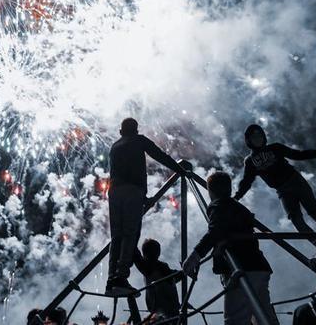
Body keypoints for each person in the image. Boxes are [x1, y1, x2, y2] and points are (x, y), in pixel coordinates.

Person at [235, 124, 316, 264]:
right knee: (296, 220)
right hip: (282, 190)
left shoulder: (275, 148)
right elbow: (246, 181)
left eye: (259, 135)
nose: (257, 138)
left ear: (264, 136)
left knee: (315, 213)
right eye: (254, 136)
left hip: (296, 181)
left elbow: (298, 155)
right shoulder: (250, 161)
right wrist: (237, 197)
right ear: (248, 140)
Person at [182, 171, 279, 325]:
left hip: (241, 268)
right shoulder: (240, 209)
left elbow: (215, 231)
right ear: (230, 188)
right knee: (264, 318)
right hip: (259, 267)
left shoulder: (218, 205)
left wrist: (195, 256)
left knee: (235, 320)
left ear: (210, 191)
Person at [107, 118, 182, 294]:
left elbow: (118, 172)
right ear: (136, 130)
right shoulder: (139, 140)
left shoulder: (114, 147)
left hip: (114, 191)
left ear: (121, 131)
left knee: (116, 236)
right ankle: (121, 276)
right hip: (133, 191)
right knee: (130, 233)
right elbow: (159, 155)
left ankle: (111, 279)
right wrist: (179, 170)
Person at [133, 239, 181, 319]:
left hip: (163, 310)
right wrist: (183, 272)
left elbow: (136, 255)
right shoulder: (159, 267)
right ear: (158, 253)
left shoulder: (149, 267)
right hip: (168, 310)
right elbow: (175, 276)